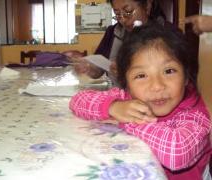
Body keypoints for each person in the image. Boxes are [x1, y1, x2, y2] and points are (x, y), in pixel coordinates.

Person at [69, 23, 211, 179]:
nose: (157, 86)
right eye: (141, 76)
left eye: (169, 71)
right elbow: (77, 100)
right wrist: (113, 107)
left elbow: (175, 152)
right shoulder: (128, 99)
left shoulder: (195, 113)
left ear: (186, 77)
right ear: (127, 84)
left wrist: (129, 121)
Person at [75, 0, 166, 80]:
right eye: (117, 14)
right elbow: (99, 69)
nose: (123, 20)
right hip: (120, 95)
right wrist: (89, 67)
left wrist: (128, 69)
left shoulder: (167, 34)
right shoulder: (112, 32)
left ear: (147, 6)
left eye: (128, 11)